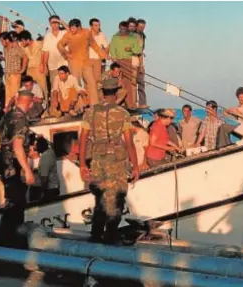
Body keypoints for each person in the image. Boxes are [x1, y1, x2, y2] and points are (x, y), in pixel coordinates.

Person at [79, 84, 139, 244]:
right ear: (116, 93)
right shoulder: (122, 113)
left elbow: (83, 138)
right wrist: (135, 166)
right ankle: (110, 236)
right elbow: (129, 142)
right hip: (116, 163)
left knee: (100, 198)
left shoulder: (90, 113)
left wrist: (82, 164)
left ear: (103, 92)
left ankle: (96, 235)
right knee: (116, 198)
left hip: (97, 161)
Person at [0, 89, 35, 246]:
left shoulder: (7, 116)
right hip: (15, 166)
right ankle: (11, 243)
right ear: (30, 103)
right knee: (17, 205)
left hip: (5, 164)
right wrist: (27, 170)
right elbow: (18, 146)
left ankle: (6, 240)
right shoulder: (20, 119)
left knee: (11, 203)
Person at [57, 18, 107, 106]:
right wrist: (66, 54)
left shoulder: (87, 32)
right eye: (70, 28)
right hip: (74, 62)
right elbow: (59, 45)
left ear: (79, 27)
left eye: (73, 28)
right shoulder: (68, 35)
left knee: (91, 82)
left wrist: (102, 54)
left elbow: (93, 44)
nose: (71, 30)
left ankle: (94, 105)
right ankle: (80, 106)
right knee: (77, 83)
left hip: (85, 61)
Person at [108, 21, 142, 109]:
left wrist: (130, 48)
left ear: (127, 29)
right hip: (117, 61)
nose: (123, 30)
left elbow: (138, 50)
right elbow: (112, 49)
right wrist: (114, 58)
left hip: (128, 60)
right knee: (117, 82)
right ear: (119, 28)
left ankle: (130, 104)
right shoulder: (115, 37)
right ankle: (118, 103)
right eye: (121, 29)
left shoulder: (132, 38)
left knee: (128, 83)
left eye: (124, 29)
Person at [0, 32, 27, 110]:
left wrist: (22, 69)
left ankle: (17, 112)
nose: (1, 43)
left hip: (15, 74)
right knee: (8, 96)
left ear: (7, 40)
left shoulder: (16, 48)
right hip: (7, 75)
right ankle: (8, 113)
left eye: (2, 41)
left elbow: (25, 57)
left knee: (15, 95)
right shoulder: (5, 49)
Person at [41, 15, 68, 92]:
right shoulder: (47, 37)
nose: (55, 24)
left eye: (56, 22)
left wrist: (61, 21)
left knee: (67, 87)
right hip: (53, 67)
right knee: (55, 88)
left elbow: (71, 31)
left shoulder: (64, 33)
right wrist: (44, 65)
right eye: (52, 23)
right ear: (49, 24)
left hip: (65, 65)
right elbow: (45, 52)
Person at [18, 30, 47, 96]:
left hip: (39, 68)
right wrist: (22, 69)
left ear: (27, 39)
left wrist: (43, 64)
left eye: (22, 41)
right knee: (31, 90)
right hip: (30, 70)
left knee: (42, 88)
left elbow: (44, 53)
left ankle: (45, 105)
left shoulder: (39, 43)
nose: (21, 43)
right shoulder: (24, 48)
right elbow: (25, 58)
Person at [88, 18, 109, 89]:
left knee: (98, 81)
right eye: (96, 25)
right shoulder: (87, 34)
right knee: (88, 81)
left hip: (98, 60)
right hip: (88, 60)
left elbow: (106, 48)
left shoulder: (102, 35)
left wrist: (104, 58)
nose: (98, 27)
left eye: (99, 25)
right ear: (91, 26)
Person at [135, 19, 147, 108]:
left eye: (143, 27)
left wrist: (141, 65)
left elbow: (141, 51)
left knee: (141, 83)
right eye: (140, 27)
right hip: (134, 62)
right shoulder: (133, 35)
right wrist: (141, 65)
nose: (142, 29)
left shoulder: (142, 36)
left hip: (139, 61)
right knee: (134, 84)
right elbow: (138, 52)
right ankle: (136, 103)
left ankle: (142, 103)